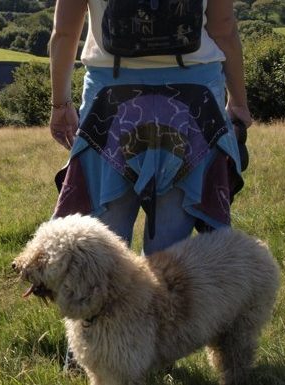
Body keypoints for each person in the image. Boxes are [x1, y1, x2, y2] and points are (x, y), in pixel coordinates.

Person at [48, 0, 251, 256]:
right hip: (193, 98)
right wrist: (239, 103)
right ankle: (161, 291)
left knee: (105, 234)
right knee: (169, 244)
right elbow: (223, 29)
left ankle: (110, 291)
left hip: (111, 100)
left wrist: (60, 105)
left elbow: (64, 33)